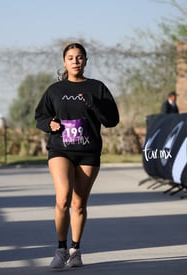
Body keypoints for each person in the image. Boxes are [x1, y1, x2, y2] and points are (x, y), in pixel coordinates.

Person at [35, 42, 119, 269]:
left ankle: (75, 250)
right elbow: (40, 117)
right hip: (60, 149)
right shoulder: (54, 90)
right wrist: (48, 124)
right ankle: (60, 249)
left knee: (79, 203)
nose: (75, 61)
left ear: (85, 61)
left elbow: (111, 120)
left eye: (79, 57)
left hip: (88, 152)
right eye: (70, 58)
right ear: (64, 62)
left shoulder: (97, 88)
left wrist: (93, 103)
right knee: (63, 198)